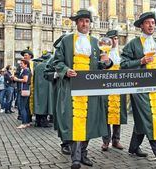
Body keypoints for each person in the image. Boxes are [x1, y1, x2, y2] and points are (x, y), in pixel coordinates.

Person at [50, 9, 112, 169]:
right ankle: (75, 158)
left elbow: (100, 65)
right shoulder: (67, 40)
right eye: (82, 21)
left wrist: (107, 62)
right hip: (71, 87)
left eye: (87, 21)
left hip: (90, 88)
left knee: (89, 120)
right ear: (76, 23)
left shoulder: (96, 42)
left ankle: (83, 154)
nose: (85, 24)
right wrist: (65, 70)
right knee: (74, 120)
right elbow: (57, 62)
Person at [120, 12, 156, 168]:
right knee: (150, 117)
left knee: (144, 117)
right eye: (147, 22)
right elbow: (123, 64)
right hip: (139, 87)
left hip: (155, 87)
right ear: (141, 25)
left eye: (153, 22)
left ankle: (134, 147)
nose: (151, 25)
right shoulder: (133, 44)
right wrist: (141, 61)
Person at [44, 34, 71, 155]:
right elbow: (46, 73)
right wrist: (59, 74)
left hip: (77, 90)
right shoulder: (54, 57)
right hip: (61, 90)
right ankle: (65, 143)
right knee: (63, 116)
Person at [101, 30, 127, 151]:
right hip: (106, 89)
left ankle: (116, 140)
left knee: (118, 114)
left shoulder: (121, 54)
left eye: (116, 38)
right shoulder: (103, 54)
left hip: (118, 88)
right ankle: (106, 141)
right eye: (112, 38)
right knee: (106, 114)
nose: (115, 41)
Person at [33, 51, 52, 127]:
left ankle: (37, 121)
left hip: (38, 87)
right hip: (47, 88)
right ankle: (44, 122)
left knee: (38, 103)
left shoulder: (37, 66)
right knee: (45, 104)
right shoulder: (49, 65)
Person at [12, 59, 31, 129]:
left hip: (23, 90)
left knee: (22, 107)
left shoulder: (25, 70)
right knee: (25, 107)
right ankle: (27, 122)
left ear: (25, 64)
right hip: (25, 90)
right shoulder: (26, 70)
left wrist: (16, 79)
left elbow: (25, 80)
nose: (20, 65)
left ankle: (24, 123)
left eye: (21, 64)